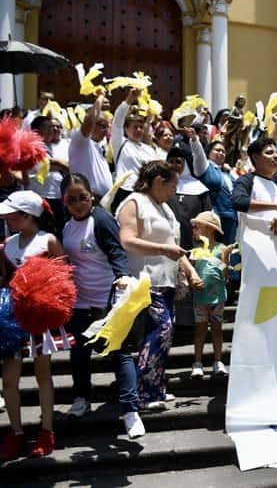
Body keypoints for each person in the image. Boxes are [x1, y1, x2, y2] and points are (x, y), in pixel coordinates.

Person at [59, 174, 145, 438]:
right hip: (80, 302)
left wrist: (121, 276)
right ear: (64, 201)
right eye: (71, 199)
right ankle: (82, 398)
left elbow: (117, 251)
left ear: (92, 196)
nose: (77, 204)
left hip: (107, 299)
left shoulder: (102, 219)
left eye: (82, 197)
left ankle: (131, 411)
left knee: (118, 353)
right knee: (79, 355)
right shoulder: (66, 226)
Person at [116, 161, 203, 410]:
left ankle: (156, 386)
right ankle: (145, 392)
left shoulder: (165, 207)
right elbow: (128, 240)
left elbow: (175, 246)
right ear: (157, 182)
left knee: (165, 333)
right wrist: (164, 250)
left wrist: (190, 270)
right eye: (173, 185)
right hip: (145, 279)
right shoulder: (134, 202)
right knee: (160, 331)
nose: (175, 191)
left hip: (167, 280)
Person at [0, 191, 71, 459]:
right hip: (11, 320)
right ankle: (16, 432)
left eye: (11, 214)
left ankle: (46, 430)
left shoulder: (48, 241)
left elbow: (64, 280)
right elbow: (4, 282)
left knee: (43, 375)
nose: (7, 218)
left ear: (28, 216)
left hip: (40, 319)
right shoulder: (6, 244)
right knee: (9, 380)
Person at [189, 211, 228, 379]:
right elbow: (189, 271)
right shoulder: (195, 251)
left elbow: (225, 274)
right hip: (200, 297)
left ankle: (217, 361)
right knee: (200, 328)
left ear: (210, 229)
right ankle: (197, 362)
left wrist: (225, 259)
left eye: (198, 226)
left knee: (217, 328)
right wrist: (192, 281)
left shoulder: (222, 249)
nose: (194, 229)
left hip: (217, 296)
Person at [231, 137, 277, 235]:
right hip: (250, 246)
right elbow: (238, 202)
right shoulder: (247, 180)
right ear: (256, 157)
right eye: (269, 153)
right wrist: (275, 206)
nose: (276, 156)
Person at [111, 88, 160, 213]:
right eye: (134, 127)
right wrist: (129, 99)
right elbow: (117, 121)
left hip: (145, 194)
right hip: (125, 192)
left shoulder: (149, 150)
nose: (138, 130)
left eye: (140, 127)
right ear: (126, 129)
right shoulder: (121, 143)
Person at [188, 132, 238, 244]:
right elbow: (198, 154)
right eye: (217, 150)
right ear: (209, 153)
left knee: (228, 253)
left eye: (223, 151)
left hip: (232, 220)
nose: (220, 153)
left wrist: (231, 171)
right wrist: (195, 140)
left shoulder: (227, 173)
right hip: (213, 220)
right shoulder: (205, 167)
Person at [27, 115, 68, 234]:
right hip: (41, 195)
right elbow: (42, 166)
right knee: (43, 230)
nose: (52, 130)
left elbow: (65, 165)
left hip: (57, 195)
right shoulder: (31, 146)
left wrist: (56, 163)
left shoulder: (51, 146)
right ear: (37, 130)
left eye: (53, 127)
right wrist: (58, 162)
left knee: (60, 229)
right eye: (48, 127)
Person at [67, 95, 113, 200]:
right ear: (93, 125)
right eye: (102, 125)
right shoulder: (81, 142)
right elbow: (89, 120)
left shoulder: (100, 146)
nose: (106, 130)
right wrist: (100, 99)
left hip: (102, 201)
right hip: (85, 201)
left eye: (107, 127)